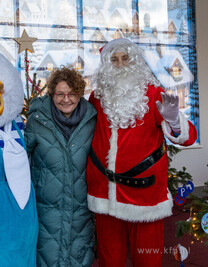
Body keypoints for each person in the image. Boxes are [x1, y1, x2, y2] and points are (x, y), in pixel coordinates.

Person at [86, 38, 197, 267]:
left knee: (148, 258)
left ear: (135, 61)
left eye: (125, 58)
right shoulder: (96, 98)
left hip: (145, 193)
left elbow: (187, 137)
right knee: (110, 259)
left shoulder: (155, 94)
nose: (120, 64)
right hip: (105, 194)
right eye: (114, 60)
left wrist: (174, 118)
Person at [25, 67, 97, 266]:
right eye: (60, 94)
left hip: (80, 204)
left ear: (80, 93)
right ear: (52, 94)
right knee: (48, 256)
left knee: (79, 256)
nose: (66, 99)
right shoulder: (37, 120)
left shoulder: (92, 119)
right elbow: (22, 158)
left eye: (72, 94)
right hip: (46, 205)